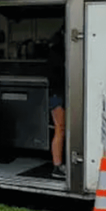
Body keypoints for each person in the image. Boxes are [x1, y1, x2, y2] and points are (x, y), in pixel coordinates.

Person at [46, 25, 66, 179]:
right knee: (60, 129)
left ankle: (58, 165)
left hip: (56, 94)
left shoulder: (54, 52)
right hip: (58, 95)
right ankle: (57, 166)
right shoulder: (59, 54)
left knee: (60, 129)